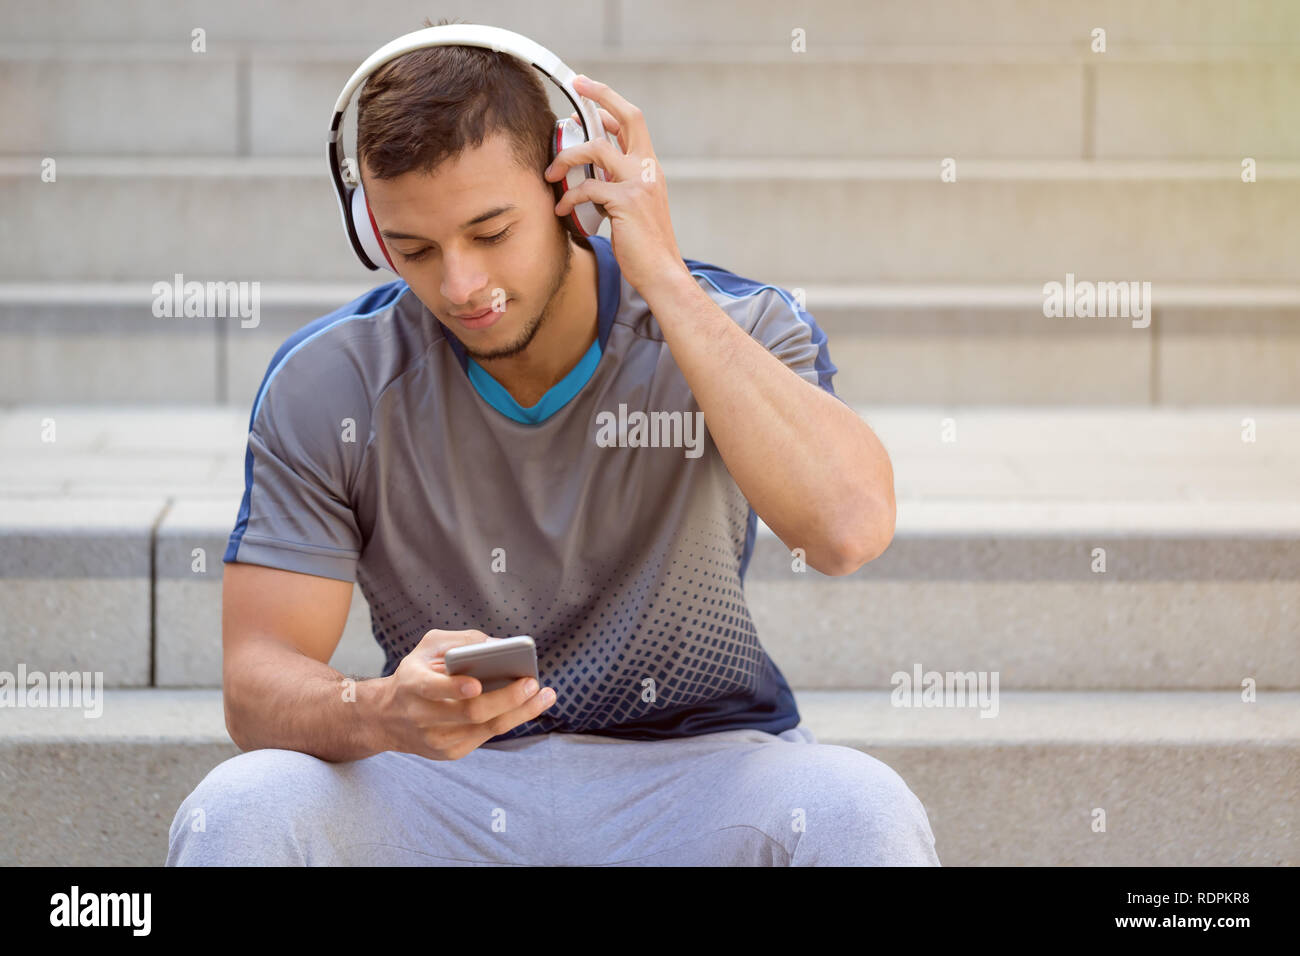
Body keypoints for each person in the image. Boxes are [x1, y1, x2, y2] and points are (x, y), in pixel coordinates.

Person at [167, 19, 939, 867]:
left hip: (697, 775)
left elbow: (848, 530)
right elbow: (257, 682)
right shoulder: (330, 382)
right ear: (369, 229)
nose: (460, 287)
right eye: (413, 248)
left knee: (863, 807)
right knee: (241, 806)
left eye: (491, 233)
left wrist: (667, 283)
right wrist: (380, 708)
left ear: (573, 189)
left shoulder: (740, 328)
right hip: (442, 782)